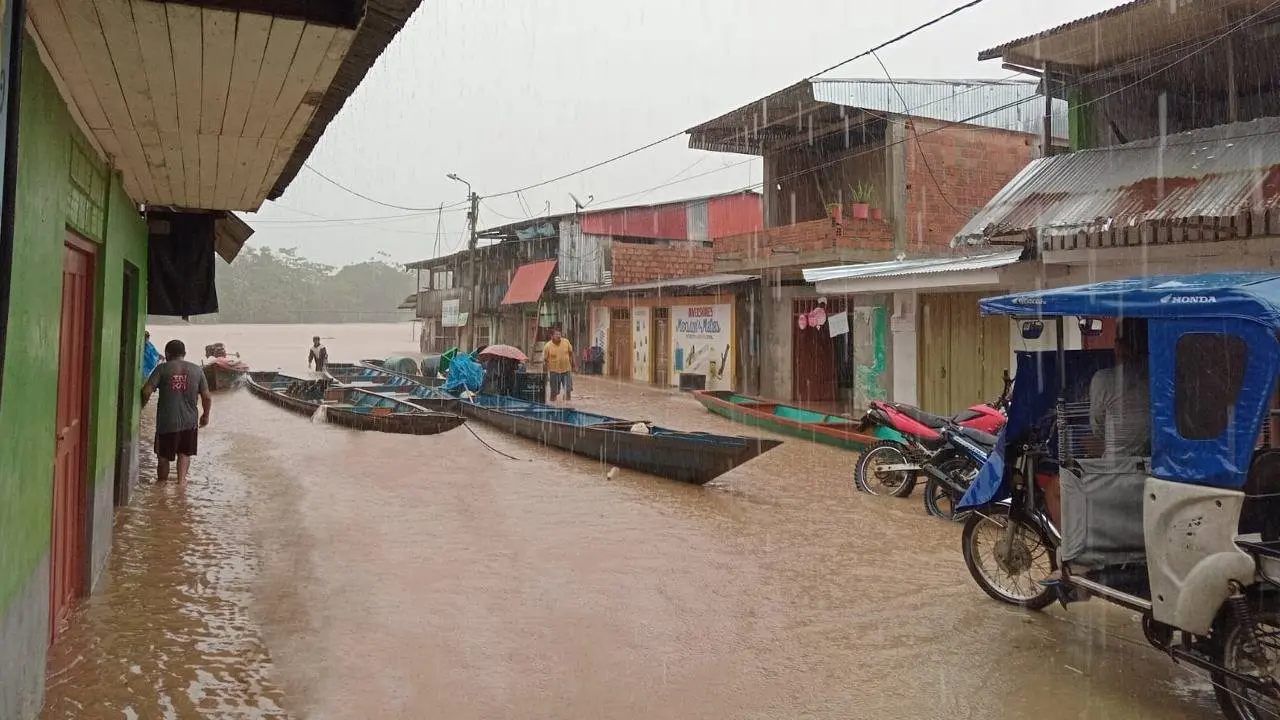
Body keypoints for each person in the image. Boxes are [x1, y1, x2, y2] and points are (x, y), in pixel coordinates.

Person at [1040, 318, 1150, 585]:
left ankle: (1077, 559)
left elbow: (1098, 428)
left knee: (1058, 485)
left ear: (1121, 347)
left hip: (1120, 475)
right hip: (1154, 471)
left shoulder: (1105, 379)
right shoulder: (1161, 379)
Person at [142, 339, 211, 484]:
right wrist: (205, 415)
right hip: (189, 422)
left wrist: (141, 407)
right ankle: (181, 485)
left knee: (163, 457)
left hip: (167, 422)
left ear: (167, 353)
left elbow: (146, 391)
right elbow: (207, 397)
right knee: (184, 454)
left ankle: (161, 486)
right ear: (184, 354)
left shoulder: (162, 369)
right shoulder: (197, 370)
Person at [543, 328, 576, 402]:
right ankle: (552, 405)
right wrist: (544, 374)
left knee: (568, 390)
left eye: (559, 334)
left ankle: (567, 406)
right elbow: (545, 361)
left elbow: (571, 354)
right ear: (552, 336)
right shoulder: (547, 346)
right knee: (554, 392)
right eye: (556, 334)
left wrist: (573, 366)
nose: (558, 336)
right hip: (554, 371)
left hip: (566, 370)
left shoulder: (566, 342)